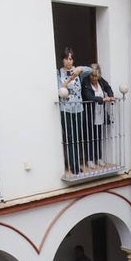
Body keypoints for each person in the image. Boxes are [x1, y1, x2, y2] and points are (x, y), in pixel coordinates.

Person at [57, 47, 91, 175]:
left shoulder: (77, 72)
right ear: (62, 60)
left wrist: (79, 69)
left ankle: (77, 162)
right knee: (70, 138)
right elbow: (60, 89)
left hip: (78, 108)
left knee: (78, 137)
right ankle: (73, 165)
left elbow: (92, 70)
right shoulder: (58, 73)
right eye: (66, 58)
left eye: (70, 58)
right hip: (66, 109)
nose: (68, 61)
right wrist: (70, 78)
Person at [80, 63, 115, 168]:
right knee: (90, 137)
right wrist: (103, 99)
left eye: (96, 76)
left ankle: (99, 158)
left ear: (99, 75)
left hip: (100, 113)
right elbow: (89, 96)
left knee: (98, 136)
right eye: (92, 75)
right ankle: (90, 159)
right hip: (89, 113)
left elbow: (108, 87)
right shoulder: (85, 82)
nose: (94, 78)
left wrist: (111, 95)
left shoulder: (100, 80)